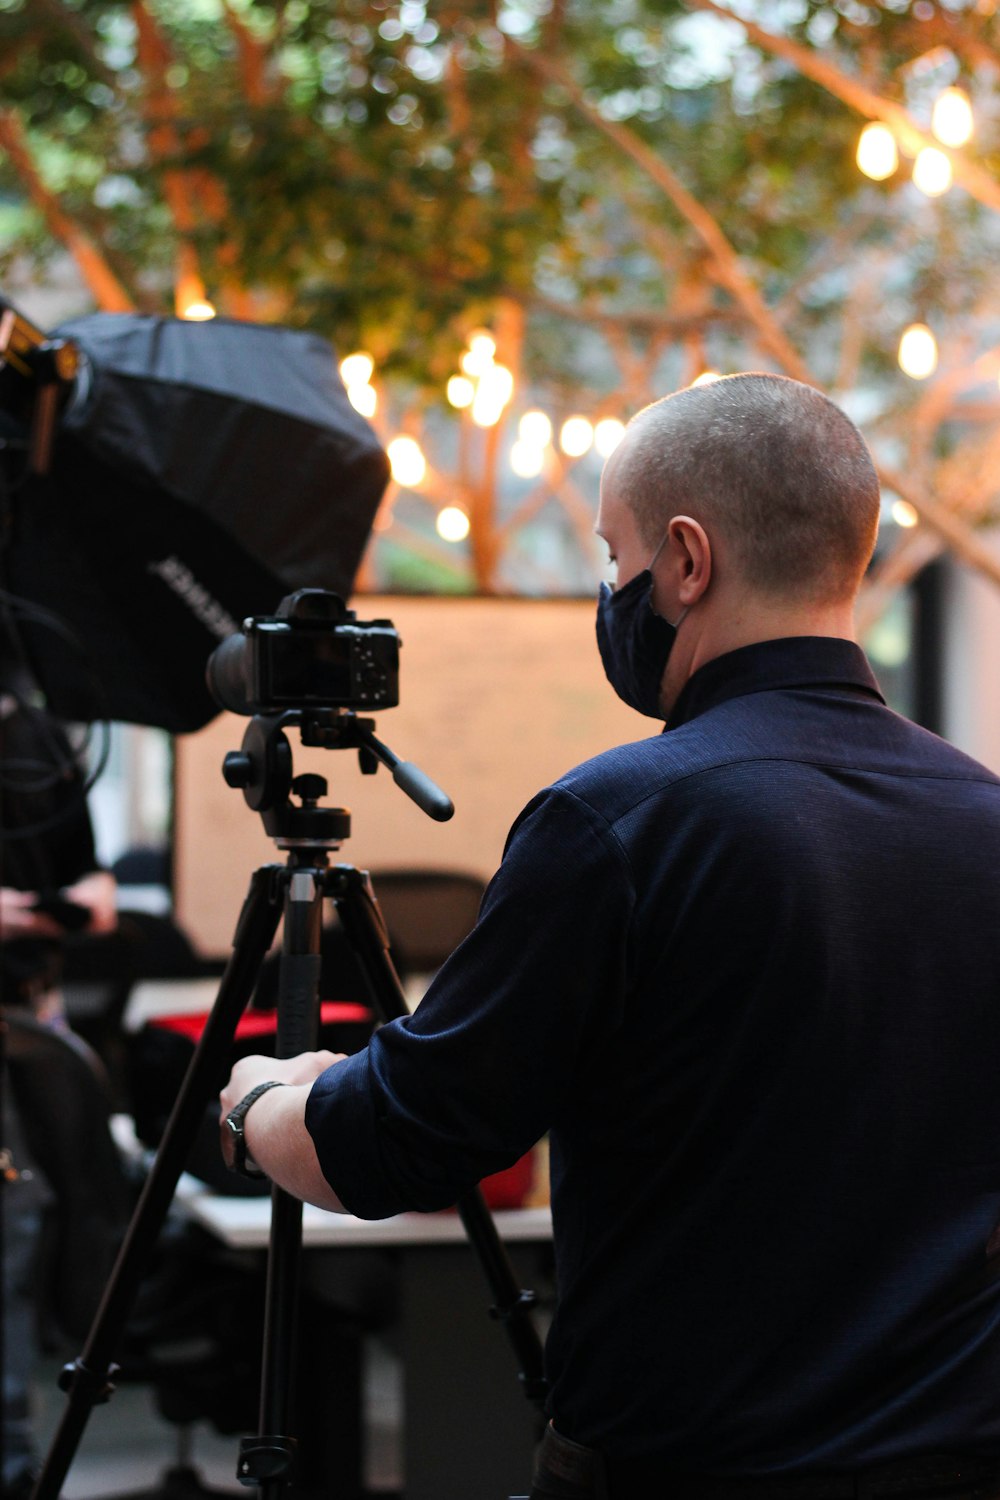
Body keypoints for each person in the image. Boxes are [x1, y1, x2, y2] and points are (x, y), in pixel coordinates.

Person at [219, 373, 1000, 1500]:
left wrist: (261, 1103)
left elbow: (399, 1143)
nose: (609, 588)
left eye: (610, 554)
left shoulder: (620, 821)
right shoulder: (983, 815)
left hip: (685, 1468)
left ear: (684, 561)